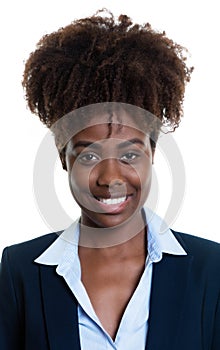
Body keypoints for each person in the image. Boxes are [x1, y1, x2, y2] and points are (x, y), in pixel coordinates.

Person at [0, 9, 219, 350]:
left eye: (130, 155)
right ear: (64, 159)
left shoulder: (211, 270)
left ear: (152, 155)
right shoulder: (20, 271)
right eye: (88, 156)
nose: (111, 177)